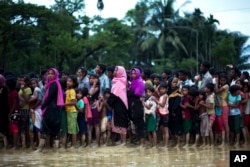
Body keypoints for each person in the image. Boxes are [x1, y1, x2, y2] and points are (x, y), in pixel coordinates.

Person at [36, 68, 64, 152]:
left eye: (52, 74)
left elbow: (49, 98)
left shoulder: (53, 85)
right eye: (49, 73)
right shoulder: (52, 84)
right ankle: (55, 152)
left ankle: (39, 150)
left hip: (51, 110)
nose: (50, 75)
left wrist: (42, 107)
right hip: (55, 110)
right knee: (55, 131)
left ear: (55, 75)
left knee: (45, 130)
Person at [107, 66, 129, 145]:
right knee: (119, 122)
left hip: (120, 104)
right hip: (118, 104)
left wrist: (108, 102)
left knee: (121, 123)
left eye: (116, 70)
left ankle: (124, 142)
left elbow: (114, 94)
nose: (114, 72)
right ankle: (122, 141)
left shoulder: (120, 82)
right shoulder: (117, 81)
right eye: (115, 70)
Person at [128, 68, 145, 146]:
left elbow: (137, 93)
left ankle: (142, 143)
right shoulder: (132, 82)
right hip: (132, 104)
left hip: (137, 104)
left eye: (134, 73)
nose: (133, 75)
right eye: (132, 73)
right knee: (136, 123)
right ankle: (139, 141)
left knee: (140, 123)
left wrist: (129, 92)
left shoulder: (140, 82)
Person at [214, 73, 230, 143]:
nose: (222, 82)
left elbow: (216, 91)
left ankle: (227, 140)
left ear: (226, 80)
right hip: (220, 106)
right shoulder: (221, 86)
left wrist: (217, 82)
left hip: (224, 106)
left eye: (224, 80)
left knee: (225, 123)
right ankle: (224, 140)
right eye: (221, 80)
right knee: (222, 123)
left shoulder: (226, 86)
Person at [152, 83, 169, 147]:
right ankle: (164, 144)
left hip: (165, 114)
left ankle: (166, 145)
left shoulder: (165, 96)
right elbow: (156, 90)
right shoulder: (161, 95)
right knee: (163, 130)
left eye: (163, 89)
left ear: (166, 89)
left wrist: (155, 100)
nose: (161, 90)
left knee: (166, 130)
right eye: (160, 89)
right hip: (161, 113)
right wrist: (159, 86)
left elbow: (162, 105)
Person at [167, 77, 183, 148]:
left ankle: (178, 143)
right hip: (169, 111)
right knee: (171, 127)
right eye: (174, 82)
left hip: (176, 112)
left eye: (176, 82)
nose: (175, 84)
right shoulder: (168, 91)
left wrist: (173, 110)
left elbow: (177, 102)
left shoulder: (178, 91)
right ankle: (174, 141)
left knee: (177, 126)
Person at [65, 75, 79, 149]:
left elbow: (73, 102)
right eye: (67, 81)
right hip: (68, 111)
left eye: (70, 81)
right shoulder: (67, 90)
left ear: (74, 83)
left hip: (72, 111)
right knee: (70, 129)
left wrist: (63, 104)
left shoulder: (72, 91)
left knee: (73, 129)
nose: (68, 82)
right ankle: (72, 144)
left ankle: (73, 145)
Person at [18, 75, 32, 149]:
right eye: (21, 81)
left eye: (23, 81)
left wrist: (23, 90)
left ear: (26, 82)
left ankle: (25, 145)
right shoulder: (20, 89)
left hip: (25, 110)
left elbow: (27, 100)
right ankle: (23, 144)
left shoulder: (28, 89)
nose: (21, 82)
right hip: (20, 109)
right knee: (22, 127)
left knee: (25, 127)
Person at [29, 78, 43, 148]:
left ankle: (40, 144)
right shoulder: (38, 89)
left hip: (37, 111)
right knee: (38, 128)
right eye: (32, 84)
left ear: (37, 83)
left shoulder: (37, 89)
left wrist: (32, 106)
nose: (33, 85)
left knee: (38, 128)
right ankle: (38, 143)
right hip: (38, 110)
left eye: (34, 83)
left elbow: (38, 99)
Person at [0, 74, 9, 149]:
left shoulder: (4, 89)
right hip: (4, 111)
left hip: (2, 112)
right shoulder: (5, 88)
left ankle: (5, 146)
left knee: (2, 129)